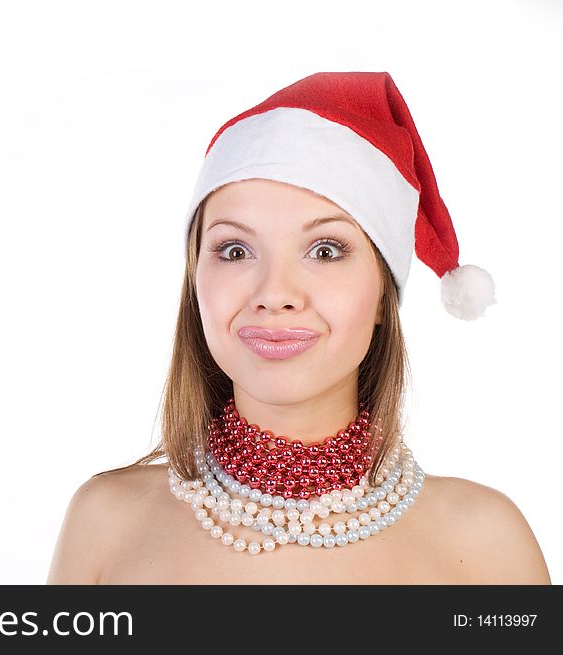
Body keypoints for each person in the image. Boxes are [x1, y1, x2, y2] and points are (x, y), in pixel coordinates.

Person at [46, 72, 551, 585]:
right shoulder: (104, 525)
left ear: (383, 293)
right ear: (196, 281)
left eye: (325, 251)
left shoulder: (487, 545)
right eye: (235, 250)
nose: (274, 293)